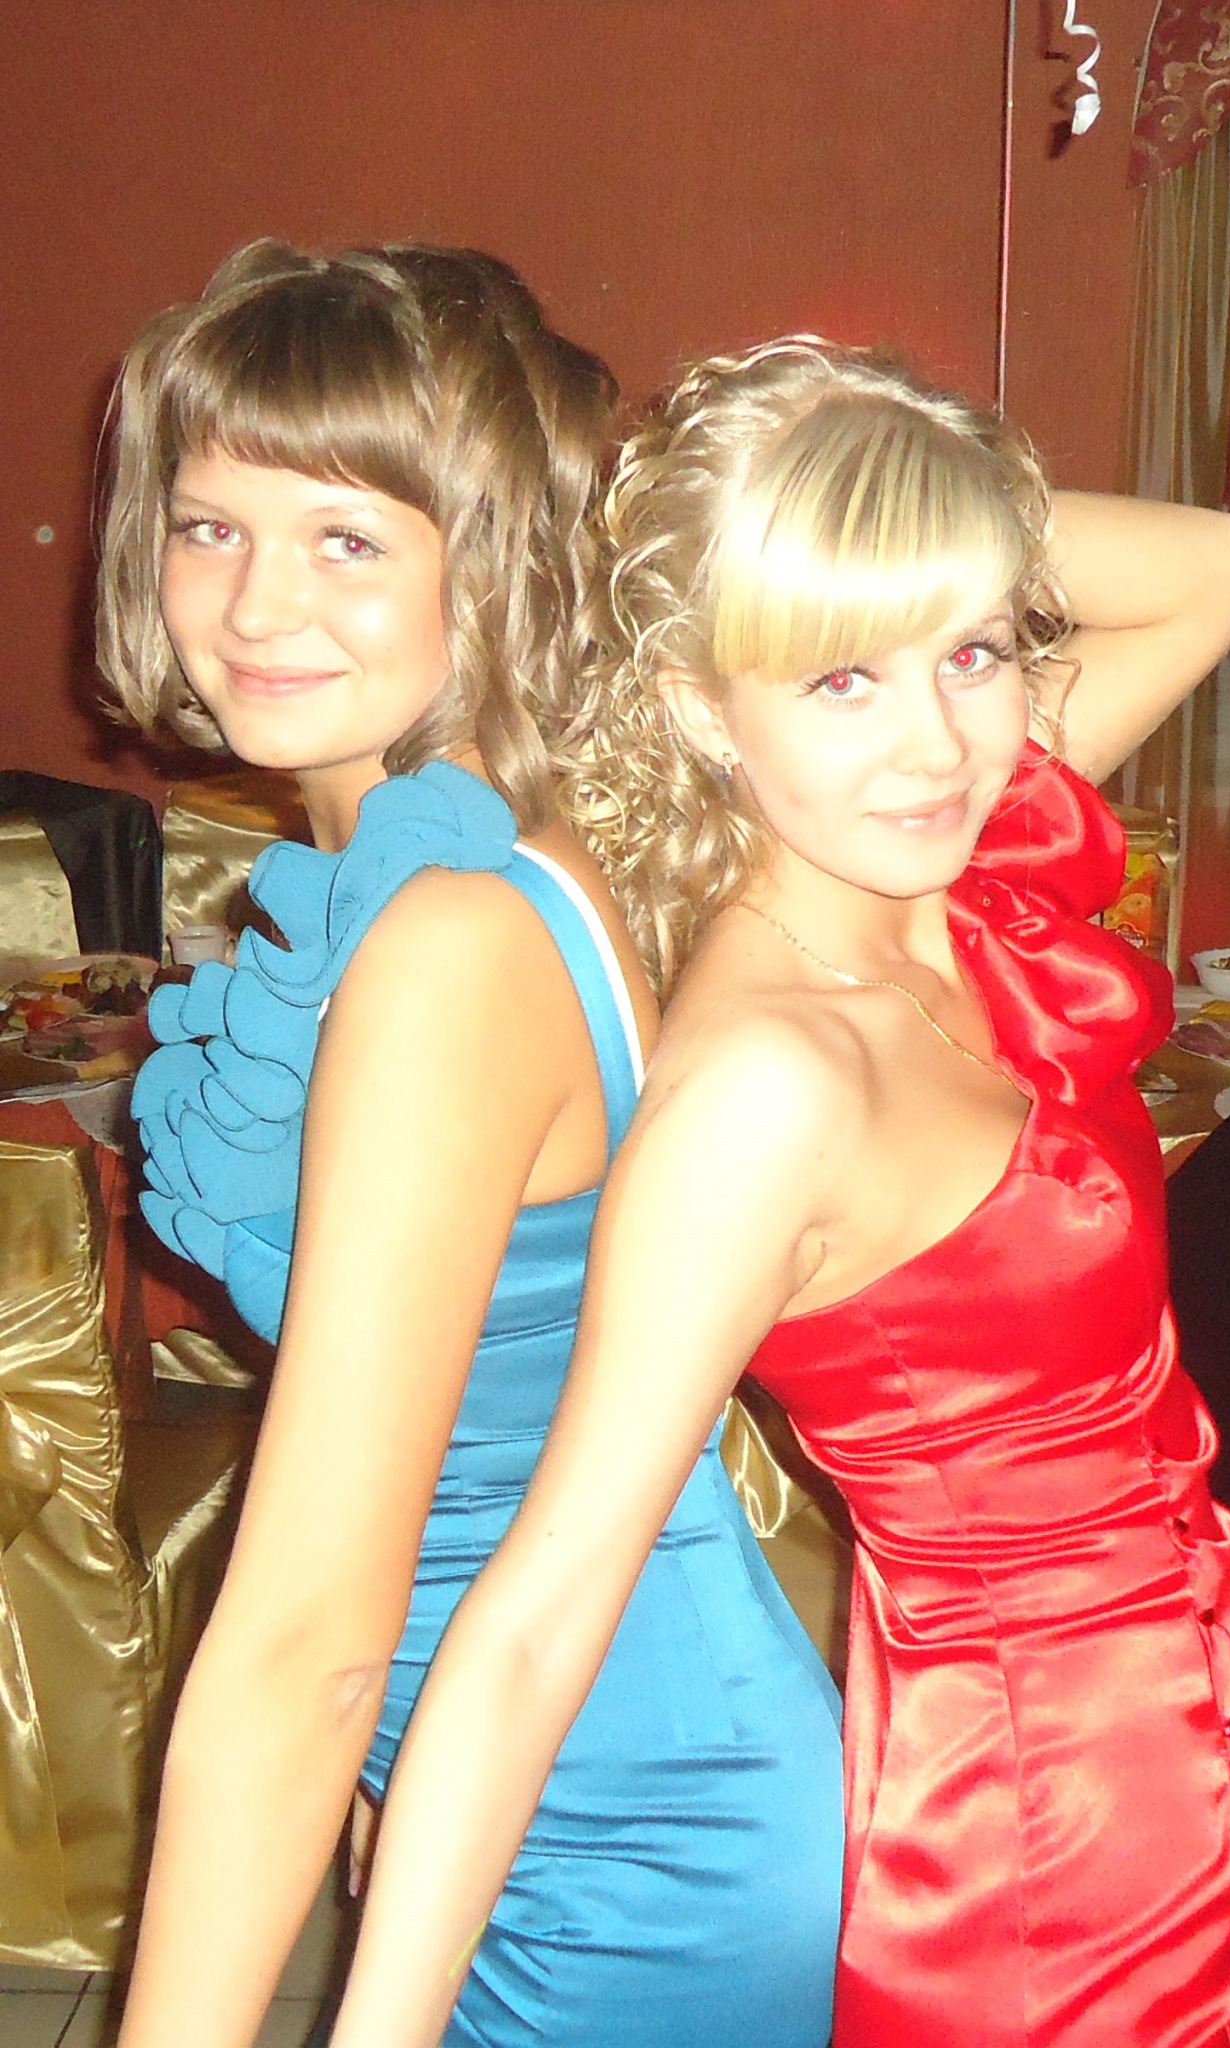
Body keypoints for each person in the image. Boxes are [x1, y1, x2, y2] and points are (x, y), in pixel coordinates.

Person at [329, 339, 1230, 2048]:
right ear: (705, 702)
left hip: (1154, 1744)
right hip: (1028, 1830)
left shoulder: (952, 865)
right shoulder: (768, 1090)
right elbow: (542, 1613)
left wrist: (896, 492)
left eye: (976, 649)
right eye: (841, 676)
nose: (937, 742)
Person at [100, 255, 844, 2048]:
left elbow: (306, 1642)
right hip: (528, 1766)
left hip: (614, 1834)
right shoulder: (474, 862)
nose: (254, 602)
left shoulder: (451, 942)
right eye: (209, 525)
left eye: (347, 538)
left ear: (493, 563)